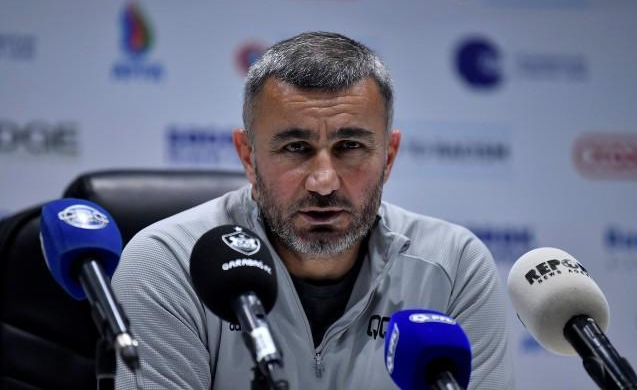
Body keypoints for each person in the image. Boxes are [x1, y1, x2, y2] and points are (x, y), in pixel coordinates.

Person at [113, 31, 514, 389]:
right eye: (295, 148)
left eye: (350, 147)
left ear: (389, 156)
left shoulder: (453, 266)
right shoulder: (168, 263)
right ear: (248, 156)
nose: (323, 181)